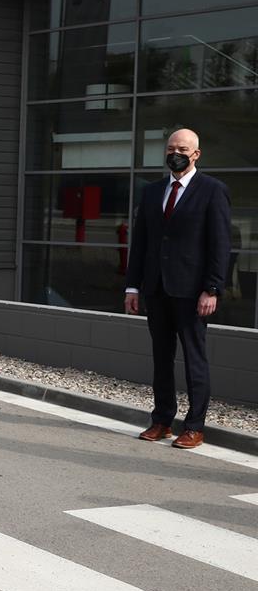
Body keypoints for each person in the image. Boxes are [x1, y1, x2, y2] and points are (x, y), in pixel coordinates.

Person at [125, 128, 230, 450]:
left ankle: (195, 426)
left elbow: (220, 245)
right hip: (156, 290)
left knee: (195, 360)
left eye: (182, 148)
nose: (176, 153)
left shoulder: (213, 190)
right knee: (161, 358)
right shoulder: (152, 191)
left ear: (196, 154)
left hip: (192, 292)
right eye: (171, 148)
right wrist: (133, 286)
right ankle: (162, 420)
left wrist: (212, 289)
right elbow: (140, 242)